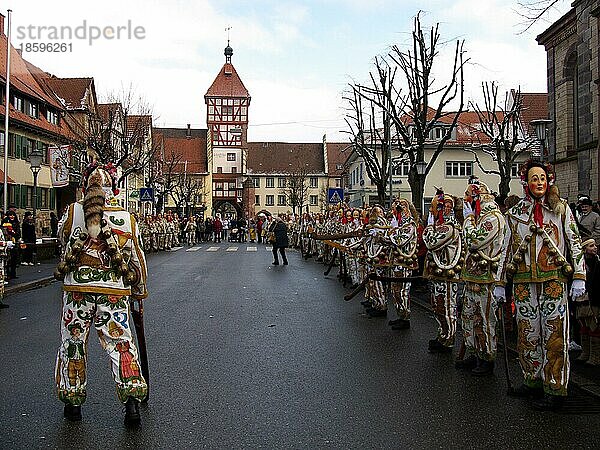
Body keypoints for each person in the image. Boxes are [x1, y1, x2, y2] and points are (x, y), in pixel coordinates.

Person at [54, 162, 148, 425]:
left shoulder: (73, 212)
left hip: (77, 292)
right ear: (114, 189)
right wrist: (138, 292)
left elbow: (62, 242)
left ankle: (72, 403)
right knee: (120, 344)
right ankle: (131, 403)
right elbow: (136, 259)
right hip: (113, 292)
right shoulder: (126, 218)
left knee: (72, 342)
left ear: (85, 186)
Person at [496, 160, 585, 411]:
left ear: (549, 181)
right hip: (523, 283)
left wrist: (579, 275)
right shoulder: (514, 214)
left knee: (554, 335)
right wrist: (501, 283)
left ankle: (556, 388)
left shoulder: (561, 210)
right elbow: (506, 248)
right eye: (534, 179)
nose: (539, 183)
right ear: (526, 182)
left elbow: (575, 242)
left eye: (543, 178)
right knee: (527, 334)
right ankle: (532, 380)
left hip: (553, 280)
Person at [457, 178, 506, 376]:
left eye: (468, 197)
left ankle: (487, 357)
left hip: (487, 277)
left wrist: (468, 220)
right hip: (473, 276)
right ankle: (474, 351)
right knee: (469, 316)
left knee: (485, 319)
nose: (465, 201)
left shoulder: (493, 217)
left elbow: (474, 241)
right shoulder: (479, 217)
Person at [422, 189, 463, 353]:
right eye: (441, 207)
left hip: (447, 274)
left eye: (447, 207)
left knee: (446, 307)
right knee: (438, 306)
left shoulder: (450, 227)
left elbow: (431, 242)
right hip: (438, 273)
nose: (444, 210)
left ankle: (449, 339)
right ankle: (442, 334)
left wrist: (429, 229)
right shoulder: (439, 226)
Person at [575, 238, 600, 366]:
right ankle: (585, 352)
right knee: (583, 325)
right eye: (591, 246)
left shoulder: (597, 262)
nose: (595, 248)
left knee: (594, 326)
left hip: (594, 298)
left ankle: (595, 356)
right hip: (582, 298)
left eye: (595, 245)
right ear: (584, 249)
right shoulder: (580, 263)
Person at [3, 209, 20, 279]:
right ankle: (8, 274)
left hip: (15, 241)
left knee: (14, 259)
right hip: (8, 241)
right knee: (8, 259)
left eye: (13, 215)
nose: (12, 216)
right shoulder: (6, 223)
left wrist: (17, 235)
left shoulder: (16, 223)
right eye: (10, 215)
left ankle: (13, 273)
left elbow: (18, 232)